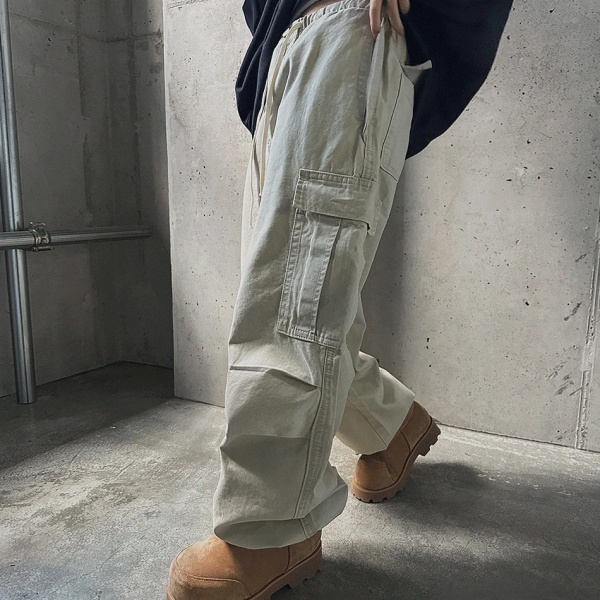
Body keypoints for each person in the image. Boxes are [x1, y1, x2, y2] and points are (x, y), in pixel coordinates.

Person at [166, 1, 513, 598]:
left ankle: (272, 527)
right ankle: (390, 424)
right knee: (286, 293)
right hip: (282, 44)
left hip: (352, 29)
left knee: (291, 303)